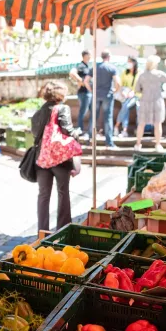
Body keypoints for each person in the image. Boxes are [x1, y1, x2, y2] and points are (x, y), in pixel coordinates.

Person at [32, 81, 81, 231]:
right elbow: (67, 131)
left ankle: (42, 232)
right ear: (60, 94)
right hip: (60, 160)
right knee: (63, 192)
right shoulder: (62, 108)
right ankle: (63, 229)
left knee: (43, 196)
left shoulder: (38, 112)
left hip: (42, 159)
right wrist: (77, 134)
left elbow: (35, 133)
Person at [84, 50, 120, 149]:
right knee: (108, 118)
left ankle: (90, 140)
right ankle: (109, 143)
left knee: (93, 117)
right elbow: (118, 82)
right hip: (107, 95)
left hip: (96, 94)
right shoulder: (112, 68)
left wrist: (91, 90)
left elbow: (86, 81)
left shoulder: (95, 67)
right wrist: (115, 90)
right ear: (109, 57)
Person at [134, 55, 166, 152]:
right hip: (157, 100)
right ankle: (157, 144)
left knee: (141, 124)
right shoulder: (160, 74)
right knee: (158, 123)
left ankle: (138, 144)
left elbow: (137, 89)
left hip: (145, 101)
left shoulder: (142, 75)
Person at [114, 57, 139, 138]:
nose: (128, 64)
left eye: (130, 62)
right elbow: (121, 84)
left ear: (134, 63)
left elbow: (139, 85)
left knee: (125, 106)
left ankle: (117, 126)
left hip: (136, 96)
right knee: (125, 107)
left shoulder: (139, 73)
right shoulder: (125, 72)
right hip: (125, 95)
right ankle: (124, 130)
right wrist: (123, 92)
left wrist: (133, 92)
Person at [70, 50, 92, 138]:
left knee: (91, 112)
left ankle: (88, 130)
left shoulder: (87, 66)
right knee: (83, 112)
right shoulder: (81, 65)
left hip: (88, 92)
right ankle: (80, 130)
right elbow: (72, 73)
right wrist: (81, 81)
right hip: (84, 93)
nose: (90, 57)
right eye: (89, 55)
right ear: (85, 56)